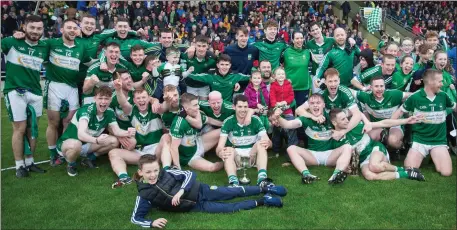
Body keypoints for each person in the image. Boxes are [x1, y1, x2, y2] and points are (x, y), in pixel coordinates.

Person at [130, 154, 286, 228]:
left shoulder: (167, 172)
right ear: (141, 172)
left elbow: (190, 174)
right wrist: (151, 223)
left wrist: (181, 191)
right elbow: (135, 218)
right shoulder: (143, 194)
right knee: (228, 209)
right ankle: (263, 200)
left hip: (202, 190)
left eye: (155, 170)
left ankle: (265, 187)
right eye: (148, 172)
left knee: (231, 192)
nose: (153, 175)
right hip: (195, 206)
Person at [2, 15, 49, 177]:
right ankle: (19, 165)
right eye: (32, 28)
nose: (35, 31)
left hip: (36, 91)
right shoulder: (11, 42)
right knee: (19, 128)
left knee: (33, 128)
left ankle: (30, 162)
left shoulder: (44, 46)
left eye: (39, 28)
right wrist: (12, 34)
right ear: (24, 27)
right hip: (15, 91)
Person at [270, 93, 352, 184]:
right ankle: (306, 175)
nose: (315, 105)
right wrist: (278, 117)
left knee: (347, 147)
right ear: (309, 106)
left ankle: (336, 175)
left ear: (324, 105)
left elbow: (348, 119)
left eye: (318, 103)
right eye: (312, 103)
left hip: (330, 155)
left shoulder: (330, 116)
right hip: (312, 155)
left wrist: (340, 131)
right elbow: (288, 124)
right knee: (291, 148)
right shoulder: (305, 119)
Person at [42, 19, 92, 166]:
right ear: (61, 29)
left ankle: (62, 151)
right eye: (68, 27)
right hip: (54, 86)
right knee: (53, 122)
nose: (72, 30)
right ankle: (52, 154)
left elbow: (90, 62)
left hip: (72, 87)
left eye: (74, 28)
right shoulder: (51, 43)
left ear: (77, 31)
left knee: (68, 122)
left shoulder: (80, 46)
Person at [56, 86, 135, 177]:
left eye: (106, 99)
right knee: (76, 144)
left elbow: (116, 131)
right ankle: (71, 164)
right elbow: (81, 134)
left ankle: (89, 158)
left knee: (114, 141)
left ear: (110, 100)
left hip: (86, 144)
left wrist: (127, 132)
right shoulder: (86, 110)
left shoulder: (109, 112)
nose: (103, 101)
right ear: (95, 98)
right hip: (68, 144)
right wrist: (96, 140)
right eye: (100, 98)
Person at [392, 69, 457, 176]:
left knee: (446, 172)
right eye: (440, 81)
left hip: (438, 141)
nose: (442, 84)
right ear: (431, 82)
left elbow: (455, 108)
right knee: (409, 168)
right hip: (420, 140)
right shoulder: (415, 96)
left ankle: (435, 154)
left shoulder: (443, 96)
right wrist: (389, 126)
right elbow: (399, 112)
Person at [329, 109, 425, 181]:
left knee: (374, 166)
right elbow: (344, 158)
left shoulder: (356, 126)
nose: (347, 120)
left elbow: (382, 123)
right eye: (343, 119)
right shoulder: (335, 140)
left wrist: (406, 120)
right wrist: (348, 167)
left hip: (375, 149)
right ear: (334, 122)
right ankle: (406, 173)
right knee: (369, 176)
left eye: (346, 117)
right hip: (362, 159)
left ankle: (402, 169)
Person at [109, 83, 172, 188]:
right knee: (113, 153)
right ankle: (124, 177)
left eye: (144, 97)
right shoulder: (131, 109)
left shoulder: (155, 108)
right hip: (140, 153)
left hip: (156, 150)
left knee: (165, 137)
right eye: (138, 98)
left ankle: (166, 171)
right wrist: (119, 89)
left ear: (148, 99)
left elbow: (164, 107)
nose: (141, 100)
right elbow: (123, 102)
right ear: (134, 101)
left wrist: (166, 100)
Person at [216, 95, 273, 187]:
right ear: (234, 107)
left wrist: (268, 143)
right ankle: (233, 182)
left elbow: (268, 142)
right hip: (236, 157)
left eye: (245, 107)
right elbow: (219, 147)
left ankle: (262, 179)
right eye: (240, 107)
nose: (243, 110)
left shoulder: (255, 120)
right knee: (227, 150)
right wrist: (220, 153)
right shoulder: (228, 122)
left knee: (261, 144)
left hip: (252, 155)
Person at [297, 68, 362, 142]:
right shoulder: (321, 95)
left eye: (335, 81)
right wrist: (313, 117)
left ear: (339, 81)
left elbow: (357, 114)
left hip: (344, 123)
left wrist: (342, 132)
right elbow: (299, 110)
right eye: (330, 81)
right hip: (329, 124)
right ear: (325, 82)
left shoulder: (344, 92)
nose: (333, 84)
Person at [170, 93, 224, 172]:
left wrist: (224, 124)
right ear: (186, 108)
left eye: (197, 104)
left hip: (198, 143)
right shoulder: (179, 123)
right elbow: (173, 148)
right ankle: (225, 163)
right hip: (189, 156)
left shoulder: (196, 114)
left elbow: (209, 120)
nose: (198, 107)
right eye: (195, 105)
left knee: (223, 130)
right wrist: (178, 168)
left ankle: (230, 160)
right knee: (213, 168)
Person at [357, 76, 411, 151]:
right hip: (378, 124)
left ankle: (401, 147)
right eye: (376, 86)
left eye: (381, 86)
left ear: (385, 86)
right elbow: (351, 92)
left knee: (393, 141)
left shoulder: (394, 94)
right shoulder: (364, 96)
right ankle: (384, 145)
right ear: (371, 87)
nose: (379, 89)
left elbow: (411, 95)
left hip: (394, 123)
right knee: (370, 138)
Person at [269, 67, 297, 159]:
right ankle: (276, 149)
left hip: (287, 111)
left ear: (285, 75)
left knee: (291, 128)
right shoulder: (273, 85)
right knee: (277, 129)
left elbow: (291, 96)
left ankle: (292, 150)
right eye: (279, 74)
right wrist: (275, 105)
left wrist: (285, 102)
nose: (281, 76)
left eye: (282, 74)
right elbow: (272, 97)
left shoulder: (288, 84)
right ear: (275, 76)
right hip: (277, 111)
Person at [182, 35, 217, 100]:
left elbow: (223, 65)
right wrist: (190, 47)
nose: (201, 49)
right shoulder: (187, 54)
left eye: (204, 46)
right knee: (192, 105)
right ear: (195, 45)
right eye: (199, 46)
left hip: (204, 86)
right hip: (190, 86)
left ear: (208, 46)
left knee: (203, 105)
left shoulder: (212, 58)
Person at [282, 31, 312, 106]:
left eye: (301, 38)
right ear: (293, 40)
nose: (300, 40)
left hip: (304, 87)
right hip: (289, 87)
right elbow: (279, 65)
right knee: (289, 112)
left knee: (301, 112)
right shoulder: (286, 52)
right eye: (297, 38)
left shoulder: (307, 52)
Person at [305, 22, 336, 93]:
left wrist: (350, 40)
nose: (315, 32)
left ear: (321, 29)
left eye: (317, 29)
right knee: (317, 100)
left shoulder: (331, 41)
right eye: (313, 30)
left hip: (330, 76)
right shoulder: (308, 44)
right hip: (316, 77)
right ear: (310, 33)